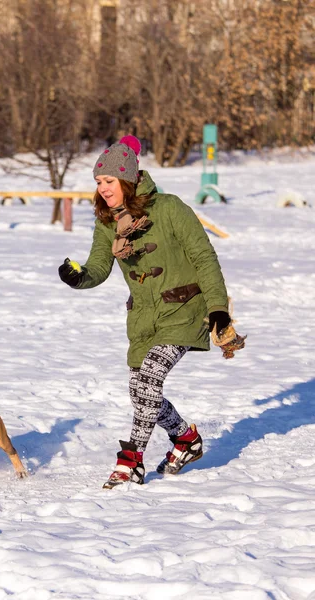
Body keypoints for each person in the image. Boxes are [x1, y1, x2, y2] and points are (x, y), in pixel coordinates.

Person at [58, 135, 245, 489]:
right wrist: (78, 277)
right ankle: (185, 439)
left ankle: (131, 463)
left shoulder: (170, 208)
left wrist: (218, 309)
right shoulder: (107, 221)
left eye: (109, 182)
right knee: (140, 390)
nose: (103, 189)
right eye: (98, 182)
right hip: (144, 317)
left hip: (184, 310)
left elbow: (204, 258)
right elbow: (99, 267)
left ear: (127, 180)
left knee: (148, 380)